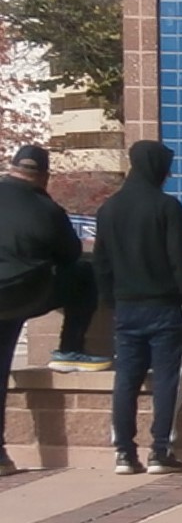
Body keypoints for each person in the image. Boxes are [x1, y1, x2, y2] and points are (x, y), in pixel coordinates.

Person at [94, 141, 182, 474]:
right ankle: (160, 450)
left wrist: (110, 299)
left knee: (126, 379)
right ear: (157, 168)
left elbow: (101, 262)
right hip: (164, 306)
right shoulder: (168, 208)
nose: (168, 175)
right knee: (167, 380)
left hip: (126, 307)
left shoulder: (109, 209)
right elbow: (179, 260)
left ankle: (124, 453)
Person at [0, 145, 104, 471]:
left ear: (12, 167)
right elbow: (70, 254)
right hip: (23, 294)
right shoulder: (47, 209)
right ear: (44, 176)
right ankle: (69, 349)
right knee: (85, 273)